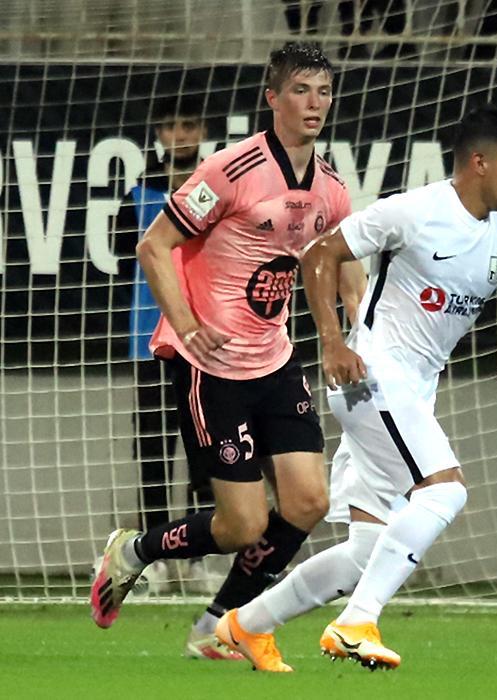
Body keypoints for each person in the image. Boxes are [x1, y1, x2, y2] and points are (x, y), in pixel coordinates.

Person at [213, 104, 497, 672]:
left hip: (409, 392)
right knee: (445, 492)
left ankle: (246, 624)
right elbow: (321, 253)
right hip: (371, 375)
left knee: (366, 553)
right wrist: (333, 341)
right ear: (479, 162)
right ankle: (356, 623)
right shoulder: (416, 211)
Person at [90, 41, 366, 670]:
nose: (314, 103)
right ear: (272, 98)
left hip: (276, 360)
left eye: (324, 92)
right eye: (300, 90)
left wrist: (355, 334)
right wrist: (187, 324)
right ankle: (134, 551)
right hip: (211, 368)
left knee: (308, 502)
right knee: (242, 525)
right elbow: (154, 246)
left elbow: (343, 268)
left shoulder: (331, 188)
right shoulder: (230, 170)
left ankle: (217, 625)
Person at [111, 94, 217, 599]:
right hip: (148, 341)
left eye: (188, 124)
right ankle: (152, 557)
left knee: (204, 449)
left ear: (203, 130)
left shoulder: (217, 186)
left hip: (204, 337)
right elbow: (121, 259)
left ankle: (196, 557)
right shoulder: (136, 192)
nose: (180, 134)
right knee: (152, 450)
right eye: (171, 125)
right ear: (158, 133)